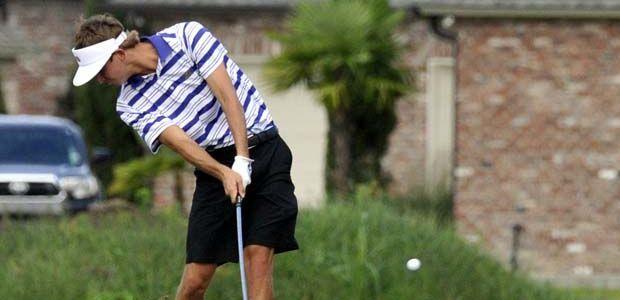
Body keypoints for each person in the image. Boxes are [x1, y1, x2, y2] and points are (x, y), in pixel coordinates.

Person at [70, 13, 299, 300]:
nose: (100, 80)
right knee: (195, 280)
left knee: (258, 257)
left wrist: (242, 159)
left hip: (264, 149)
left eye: (100, 72)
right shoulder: (129, 104)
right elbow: (180, 141)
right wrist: (224, 172)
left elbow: (229, 97)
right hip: (214, 166)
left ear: (118, 55)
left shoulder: (188, 36)